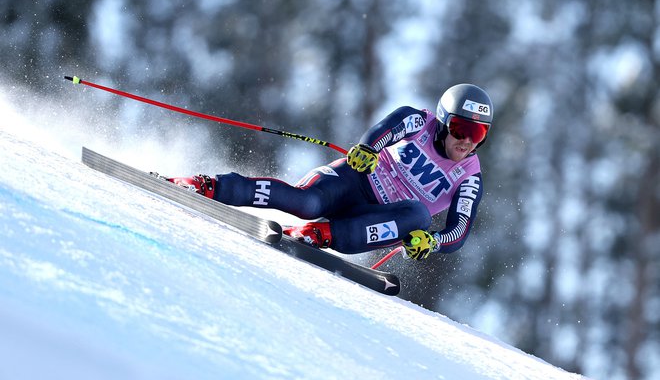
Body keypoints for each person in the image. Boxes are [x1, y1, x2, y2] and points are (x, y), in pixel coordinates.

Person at [169, 83, 493, 260]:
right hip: (354, 182)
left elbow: (460, 230)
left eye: (477, 134)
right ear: (443, 120)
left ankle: (319, 235)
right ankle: (208, 186)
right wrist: (368, 148)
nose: (466, 141)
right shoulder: (421, 121)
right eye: (460, 128)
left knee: (420, 216)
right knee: (307, 203)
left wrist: (433, 242)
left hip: (378, 216)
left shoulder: (469, 176)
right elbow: (389, 127)